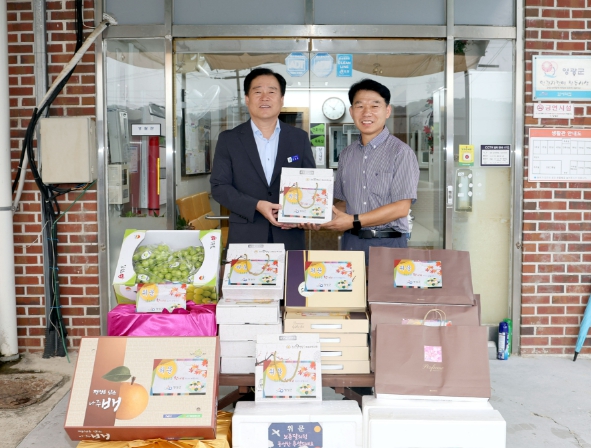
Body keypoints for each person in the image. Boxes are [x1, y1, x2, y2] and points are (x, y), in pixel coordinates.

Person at [302, 78, 419, 265]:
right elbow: (344, 203)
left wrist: (353, 221)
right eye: (360, 106)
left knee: (381, 287)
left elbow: (401, 207)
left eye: (375, 105)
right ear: (351, 112)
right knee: (351, 286)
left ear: (387, 111)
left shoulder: (401, 152)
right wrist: (317, 217)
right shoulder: (346, 155)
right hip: (351, 242)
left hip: (388, 243)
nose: (367, 112)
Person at [210, 67, 316, 250]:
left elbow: (309, 183)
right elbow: (219, 187)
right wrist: (257, 205)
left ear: (281, 99)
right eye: (258, 92)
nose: (265, 97)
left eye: (272, 92)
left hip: (289, 235)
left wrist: (304, 216)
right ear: (247, 99)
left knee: (291, 271)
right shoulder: (229, 139)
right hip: (245, 237)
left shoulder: (299, 138)